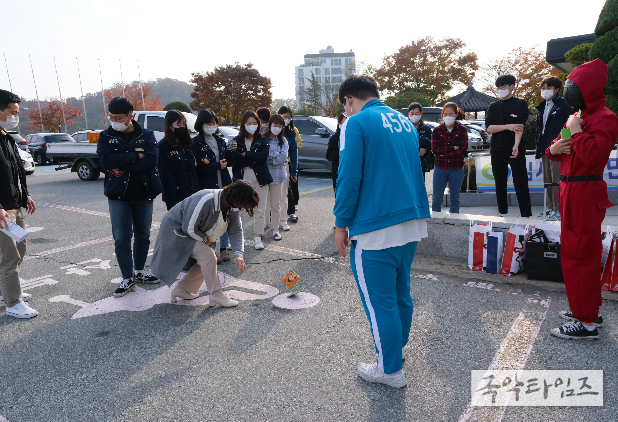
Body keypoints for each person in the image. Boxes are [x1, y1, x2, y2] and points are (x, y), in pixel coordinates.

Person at [334, 75, 430, 388]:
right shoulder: (404, 122)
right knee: (401, 294)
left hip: (376, 224)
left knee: (380, 303)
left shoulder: (356, 122)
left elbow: (349, 177)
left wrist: (340, 223)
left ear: (349, 100)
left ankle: (389, 370)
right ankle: (395, 351)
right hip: (411, 219)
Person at [546, 59, 618, 340]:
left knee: (579, 256)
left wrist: (576, 131)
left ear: (588, 89)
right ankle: (588, 309)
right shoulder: (578, 115)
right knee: (576, 253)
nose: (568, 91)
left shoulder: (605, 118)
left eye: (573, 86)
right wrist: (554, 148)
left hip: (585, 191)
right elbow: (558, 148)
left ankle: (586, 322)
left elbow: (594, 155)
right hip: (569, 189)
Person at [150, 181, 259, 307]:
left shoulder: (232, 205)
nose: (243, 208)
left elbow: (236, 230)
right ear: (237, 198)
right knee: (208, 255)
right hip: (176, 230)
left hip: (191, 232)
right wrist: (206, 241)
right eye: (244, 204)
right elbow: (189, 228)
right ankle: (216, 294)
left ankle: (181, 290)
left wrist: (238, 254)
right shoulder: (206, 200)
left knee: (207, 260)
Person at [97, 97, 164, 297]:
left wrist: (122, 163)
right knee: (122, 238)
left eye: (118, 118)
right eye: (111, 117)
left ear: (130, 116)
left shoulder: (147, 135)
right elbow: (105, 161)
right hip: (118, 196)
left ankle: (140, 271)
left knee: (143, 235)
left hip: (144, 194)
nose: (114, 121)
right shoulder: (105, 136)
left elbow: (151, 161)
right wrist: (135, 156)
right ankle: (127, 278)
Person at [0, 89, 38, 318]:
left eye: (17, 113)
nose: (16, 117)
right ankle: (13, 302)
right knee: (9, 255)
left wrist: (26, 195)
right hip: (2, 210)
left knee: (20, 245)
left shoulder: (7, 137)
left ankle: (6, 289)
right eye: (12, 112)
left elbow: (16, 171)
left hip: (14, 204)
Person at [486, 74, 532, 218]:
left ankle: (525, 214)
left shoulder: (520, 103)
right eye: (499, 87)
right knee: (500, 182)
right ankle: (503, 212)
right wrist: (507, 126)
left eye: (504, 86)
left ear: (512, 86)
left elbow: (519, 127)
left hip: (515, 148)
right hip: (497, 149)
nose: (500, 89)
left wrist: (516, 145)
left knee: (520, 181)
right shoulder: (493, 106)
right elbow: (489, 128)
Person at [192, 109, 235, 264]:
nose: (212, 126)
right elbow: (198, 168)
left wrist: (232, 151)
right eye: (208, 123)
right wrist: (216, 165)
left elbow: (229, 162)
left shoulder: (221, 141)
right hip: (207, 186)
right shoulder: (195, 143)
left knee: (225, 217)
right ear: (201, 124)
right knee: (209, 220)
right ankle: (211, 251)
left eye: (214, 123)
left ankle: (223, 249)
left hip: (224, 184)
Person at [231, 111, 273, 250]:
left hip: (260, 176)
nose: (252, 125)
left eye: (255, 123)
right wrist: (251, 156)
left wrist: (246, 154)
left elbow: (263, 157)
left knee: (260, 208)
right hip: (243, 176)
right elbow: (235, 159)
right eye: (249, 123)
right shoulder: (236, 140)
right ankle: (239, 238)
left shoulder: (263, 139)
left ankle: (257, 237)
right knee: (240, 209)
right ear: (243, 124)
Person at [535, 76, 573, 221]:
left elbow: (571, 123)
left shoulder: (563, 104)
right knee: (548, 180)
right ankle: (550, 207)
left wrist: (565, 143)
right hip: (545, 147)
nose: (545, 91)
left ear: (556, 90)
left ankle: (558, 209)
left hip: (558, 147)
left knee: (557, 179)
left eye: (548, 88)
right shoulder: (542, 106)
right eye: (543, 88)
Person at [157, 110, 199, 210]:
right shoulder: (163, 146)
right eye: (178, 125)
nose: (182, 128)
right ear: (170, 126)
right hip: (177, 197)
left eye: (184, 125)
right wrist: (171, 199)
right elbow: (165, 176)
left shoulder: (188, 144)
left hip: (193, 194)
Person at [431, 103, 468, 213]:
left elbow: (463, 150)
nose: (448, 116)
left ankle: (454, 220)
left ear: (456, 114)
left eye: (451, 114)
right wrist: (453, 148)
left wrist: (444, 151)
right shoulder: (437, 130)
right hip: (440, 167)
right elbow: (435, 150)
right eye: (445, 114)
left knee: (455, 199)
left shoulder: (462, 129)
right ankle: (435, 220)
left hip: (456, 168)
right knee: (436, 199)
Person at [261, 114, 289, 242]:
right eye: (275, 124)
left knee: (275, 204)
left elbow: (283, 158)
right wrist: (275, 156)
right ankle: (260, 229)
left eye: (279, 125)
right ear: (270, 124)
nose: (277, 127)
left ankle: (275, 230)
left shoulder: (284, 141)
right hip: (263, 175)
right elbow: (262, 156)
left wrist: (270, 157)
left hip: (278, 177)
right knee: (261, 204)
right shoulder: (262, 139)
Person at [279, 106, 302, 225]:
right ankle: (271, 217)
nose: (286, 120)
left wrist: (294, 171)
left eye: (288, 118)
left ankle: (290, 213)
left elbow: (294, 153)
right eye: (284, 117)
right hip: (271, 166)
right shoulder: (269, 131)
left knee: (287, 190)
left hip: (285, 164)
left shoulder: (291, 132)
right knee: (272, 193)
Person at [408, 102, 433, 180]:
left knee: (420, 184)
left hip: (421, 163)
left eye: (416, 113)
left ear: (421, 114)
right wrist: (417, 152)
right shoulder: (403, 127)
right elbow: (402, 144)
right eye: (412, 113)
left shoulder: (426, 128)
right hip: (407, 162)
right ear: (408, 114)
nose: (414, 116)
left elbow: (431, 143)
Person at [326, 113, 347, 194]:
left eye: (345, 123)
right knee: (338, 194)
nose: (343, 125)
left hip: (349, 171)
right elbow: (329, 155)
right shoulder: (334, 138)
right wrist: (341, 153)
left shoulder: (353, 137)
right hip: (338, 171)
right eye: (341, 123)